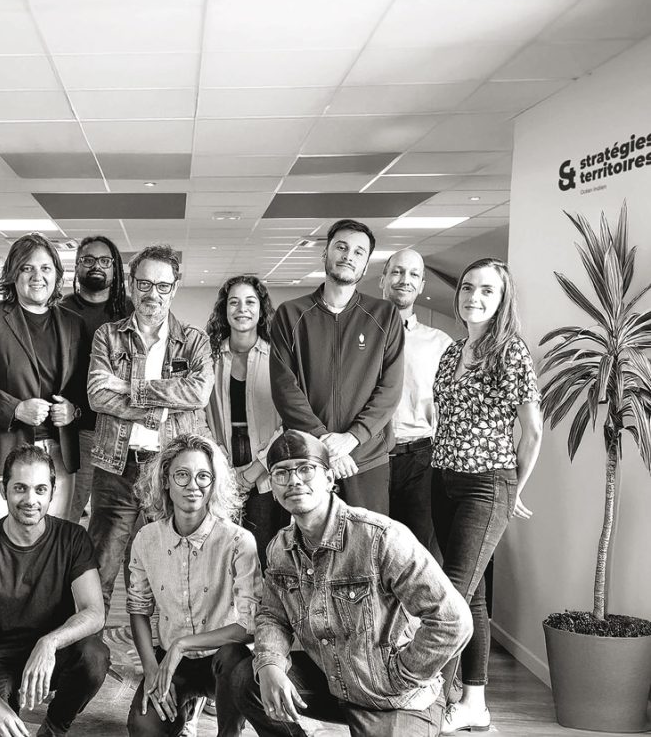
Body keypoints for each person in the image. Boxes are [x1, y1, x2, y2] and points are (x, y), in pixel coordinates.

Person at [221, 430, 473, 737]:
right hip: (332, 680)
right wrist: (270, 663)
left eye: (305, 469)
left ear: (329, 478)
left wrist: (401, 676)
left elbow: (452, 620)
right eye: (281, 473)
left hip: (394, 697)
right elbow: (272, 615)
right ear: (272, 487)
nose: (294, 480)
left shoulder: (380, 537)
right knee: (246, 678)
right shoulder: (280, 548)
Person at [433, 259, 543, 734]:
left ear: (502, 300)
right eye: (467, 287)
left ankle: (429, 696)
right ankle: (473, 703)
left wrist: (514, 487)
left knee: (449, 593)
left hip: (486, 483)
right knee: (472, 596)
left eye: (487, 290)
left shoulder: (510, 351)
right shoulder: (453, 350)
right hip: (443, 480)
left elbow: (532, 430)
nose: (474, 297)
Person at [0, 444, 110, 737]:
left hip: (53, 651)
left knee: (94, 656)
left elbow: (95, 612)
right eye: (20, 488)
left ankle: (54, 728)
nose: (30, 499)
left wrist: (49, 642)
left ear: (52, 492)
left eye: (40, 489)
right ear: (3, 489)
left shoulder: (72, 537)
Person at [87, 244, 214, 611]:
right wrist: (152, 413)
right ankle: (89, 644)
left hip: (169, 469)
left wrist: (129, 387)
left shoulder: (195, 341)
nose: (152, 294)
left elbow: (197, 393)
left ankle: (161, 645)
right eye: (144, 284)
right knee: (101, 568)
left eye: (162, 285)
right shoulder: (108, 336)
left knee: (169, 572)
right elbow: (97, 395)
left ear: (174, 288)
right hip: (115, 467)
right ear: (131, 284)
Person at [126, 433, 261, 737]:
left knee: (234, 660)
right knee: (144, 729)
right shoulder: (147, 539)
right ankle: (186, 709)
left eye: (203, 476)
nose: (193, 485)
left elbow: (250, 626)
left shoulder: (238, 541)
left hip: (224, 662)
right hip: (173, 662)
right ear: (165, 481)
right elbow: (138, 609)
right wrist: (151, 669)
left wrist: (183, 644)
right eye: (182, 475)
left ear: (214, 483)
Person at [0, 233, 90, 527]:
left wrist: (73, 410)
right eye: (27, 268)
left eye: (45, 268)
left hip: (57, 453)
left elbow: (83, 387)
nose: (37, 276)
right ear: (13, 274)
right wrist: (14, 409)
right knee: (1, 541)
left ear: (57, 274)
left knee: (51, 539)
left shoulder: (73, 324)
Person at [269, 218, 404, 515]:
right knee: (307, 540)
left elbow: (390, 389)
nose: (348, 256)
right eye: (341, 247)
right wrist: (324, 443)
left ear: (366, 265)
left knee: (367, 541)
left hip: (366, 459)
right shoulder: (290, 314)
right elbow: (284, 389)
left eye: (358, 252)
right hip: (306, 459)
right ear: (325, 253)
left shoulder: (385, 315)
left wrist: (352, 438)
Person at [205, 275, 286, 566]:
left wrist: (254, 471)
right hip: (221, 466)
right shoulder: (210, 357)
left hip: (266, 469)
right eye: (234, 302)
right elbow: (199, 413)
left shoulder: (278, 356)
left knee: (263, 557)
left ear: (261, 310)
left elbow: (288, 421)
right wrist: (223, 465)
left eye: (250, 302)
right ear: (224, 309)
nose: (242, 309)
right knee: (222, 559)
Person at [379, 250, 452, 558]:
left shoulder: (440, 344)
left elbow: (451, 408)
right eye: (397, 271)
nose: (404, 280)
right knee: (370, 549)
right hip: (370, 458)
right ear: (383, 279)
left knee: (419, 555)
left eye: (413, 274)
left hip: (421, 461)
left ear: (421, 285)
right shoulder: (357, 336)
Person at [58, 235, 132, 521]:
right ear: (77, 266)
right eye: (88, 260)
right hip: (77, 430)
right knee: (69, 512)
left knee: (118, 517)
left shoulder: (129, 312)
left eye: (104, 261)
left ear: (115, 268)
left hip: (121, 429)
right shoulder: (61, 311)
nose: (96, 266)